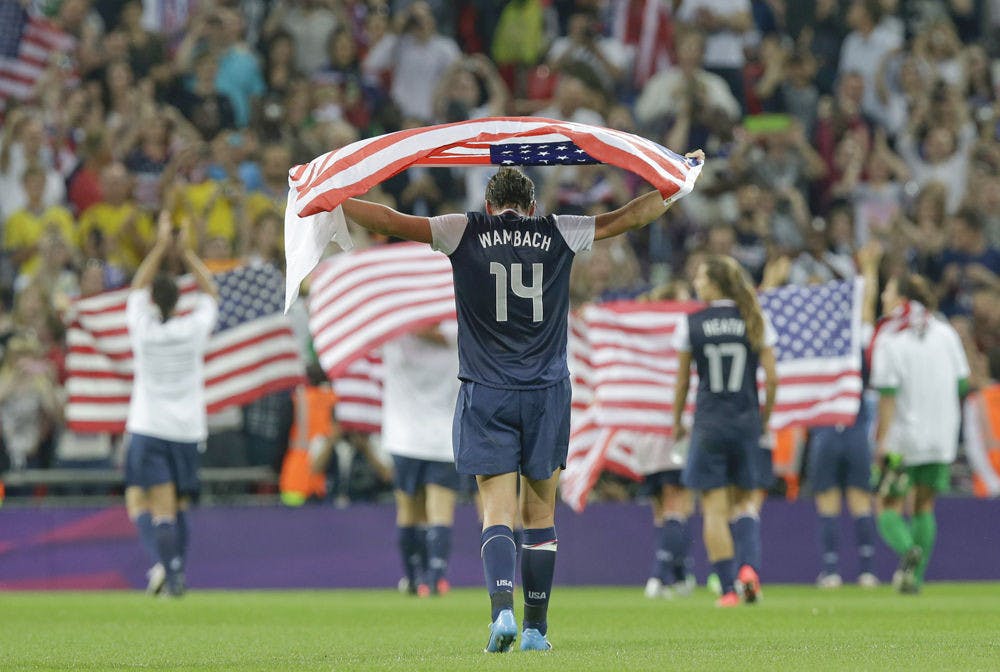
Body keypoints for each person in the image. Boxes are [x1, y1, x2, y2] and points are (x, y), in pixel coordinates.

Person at [341, 154, 703, 652]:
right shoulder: (560, 230)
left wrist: (333, 197)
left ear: (489, 204)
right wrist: (679, 182)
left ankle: (501, 614)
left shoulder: (461, 230)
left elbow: (388, 220)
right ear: (532, 206)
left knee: (496, 512)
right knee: (540, 516)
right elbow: (631, 216)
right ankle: (536, 629)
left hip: (485, 391)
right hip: (547, 391)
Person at [671, 254, 778, 608]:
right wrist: (765, 416)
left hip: (709, 425)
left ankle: (729, 589)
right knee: (746, 502)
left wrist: (675, 421)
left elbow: (684, 380)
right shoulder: (753, 318)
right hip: (746, 421)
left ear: (714, 283)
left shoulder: (693, 322)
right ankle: (749, 569)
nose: (696, 282)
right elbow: (772, 377)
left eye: (701, 276)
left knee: (714, 510)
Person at [124, 211, 219, 597]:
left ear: (152, 300)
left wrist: (162, 246)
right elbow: (211, 292)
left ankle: (170, 572)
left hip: (149, 427)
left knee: (150, 505)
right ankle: (173, 570)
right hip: (187, 429)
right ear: (180, 299)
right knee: (177, 507)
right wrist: (187, 252)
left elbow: (135, 288)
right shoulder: (192, 328)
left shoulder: (143, 329)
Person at [869, 272, 969, 594]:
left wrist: (881, 440)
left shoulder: (890, 337)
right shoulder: (945, 332)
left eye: (888, 289)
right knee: (924, 506)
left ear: (901, 299)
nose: (883, 295)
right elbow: (962, 383)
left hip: (902, 439)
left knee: (887, 506)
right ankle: (915, 577)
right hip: (941, 436)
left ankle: (908, 549)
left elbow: (887, 394)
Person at [809, 243, 881, 589]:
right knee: (859, 498)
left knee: (828, 500)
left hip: (826, 422)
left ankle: (832, 570)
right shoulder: (855, 336)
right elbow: (867, 306)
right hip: (855, 420)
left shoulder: (814, 342)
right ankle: (867, 570)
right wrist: (870, 269)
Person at [382, 324, 462, 598]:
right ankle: (436, 578)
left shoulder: (395, 331)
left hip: (404, 437)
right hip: (443, 438)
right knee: (441, 512)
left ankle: (415, 579)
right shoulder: (456, 332)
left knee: (408, 512)